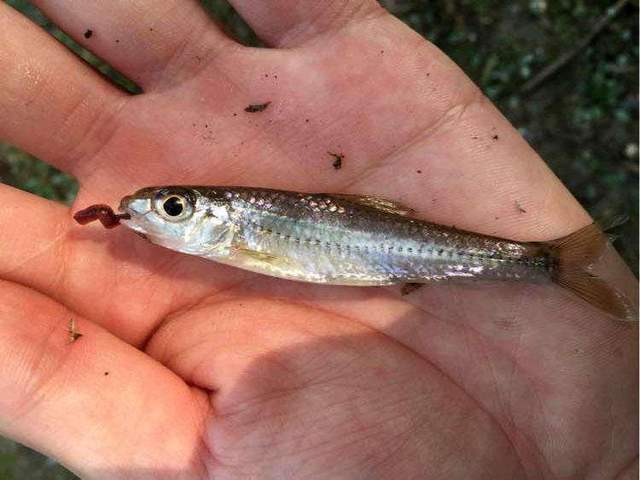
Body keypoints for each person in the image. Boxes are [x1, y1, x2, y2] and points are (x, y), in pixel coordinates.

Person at [0, 1, 637, 478]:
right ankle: (549, 264)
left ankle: (547, 263)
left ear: (220, 217)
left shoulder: (242, 232)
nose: (152, 214)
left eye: (172, 207)